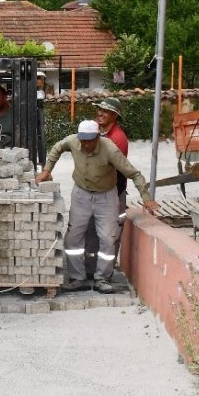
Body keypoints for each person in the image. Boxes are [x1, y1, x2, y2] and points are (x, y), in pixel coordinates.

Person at [35, 119, 158, 293]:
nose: (85, 144)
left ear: (97, 138)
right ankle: (77, 278)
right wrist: (47, 170)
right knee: (72, 238)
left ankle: (102, 278)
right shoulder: (72, 141)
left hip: (106, 197)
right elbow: (56, 148)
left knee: (108, 238)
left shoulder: (110, 150)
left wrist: (146, 198)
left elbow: (135, 174)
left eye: (89, 141)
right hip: (81, 194)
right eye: (82, 140)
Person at [85, 97, 128, 279]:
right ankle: (90, 271)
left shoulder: (117, 138)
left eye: (105, 112)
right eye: (99, 110)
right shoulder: (101, 133)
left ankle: (105, 275)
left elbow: (107, 168)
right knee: (92, 232)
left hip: (113, 192)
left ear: (114, 116)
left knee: (110, 235)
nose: (100, 114)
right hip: (98, 191)